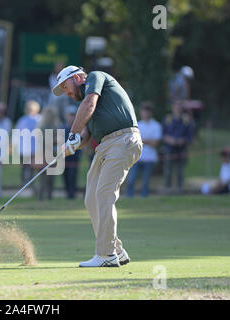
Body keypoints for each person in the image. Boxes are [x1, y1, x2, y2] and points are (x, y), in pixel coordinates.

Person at [52, 65, 142, 267]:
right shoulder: (85, 107)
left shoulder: (95, 77)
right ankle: (117, 250)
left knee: (104, 195)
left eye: (65, 87)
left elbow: (90, 103)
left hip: (123, 140)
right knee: (91, 198)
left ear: (77, 78)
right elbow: (85, 136)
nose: (66, 93)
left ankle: (106, 255)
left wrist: (72, 135)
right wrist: (69, 148)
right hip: (105, 147)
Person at [126, 102, 162, 197]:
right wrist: (147, 141)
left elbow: (155, 143)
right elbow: (132, 142)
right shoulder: (137, 124)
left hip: (150, 158)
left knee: (145, 182)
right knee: (131, 180)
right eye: (144, 110)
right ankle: (129, 197)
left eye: (148, 111)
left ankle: (144, 198)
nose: (146, 113)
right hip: (137, 157)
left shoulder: (156, 125)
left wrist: (141, 140)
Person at [162, 100, 194, 194]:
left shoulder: (186, 120)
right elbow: (163, 135)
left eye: (179, 107)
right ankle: (168, 190)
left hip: (182, 149)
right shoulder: (167, 119)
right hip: (169, 149)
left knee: (180, 171)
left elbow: (190, 136)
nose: (177, 109)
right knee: (168, 171)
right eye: (175, 107)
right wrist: (170, 140)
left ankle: (180, 190)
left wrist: (182, 140)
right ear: (172, 108)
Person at [35, 105, 63, 201]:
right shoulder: (43, 126)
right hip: (44, 154)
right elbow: (44, 141)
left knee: (49, 177)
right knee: (45, 178)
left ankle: (47, 197)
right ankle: (43, 197)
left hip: (51, 154)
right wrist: (54, 140)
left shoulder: (54, 125)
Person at [12, 100, 41, 187]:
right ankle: (32, 186)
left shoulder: (22, 120)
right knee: (34, 168)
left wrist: (13, 145)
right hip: (36, 149)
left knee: (26, 168)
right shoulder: (40, 119)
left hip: (25, 149)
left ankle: (26, 186)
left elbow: (16, 135)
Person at [63, 105, 82, 199]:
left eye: (73, 115)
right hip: (64, 158)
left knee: (72, 177)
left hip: (74, 158)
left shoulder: (78, 129)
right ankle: (68, 195)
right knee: (65, 178)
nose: (71, 117)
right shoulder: (62, 128)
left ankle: (71, 195)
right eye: (70, 115)